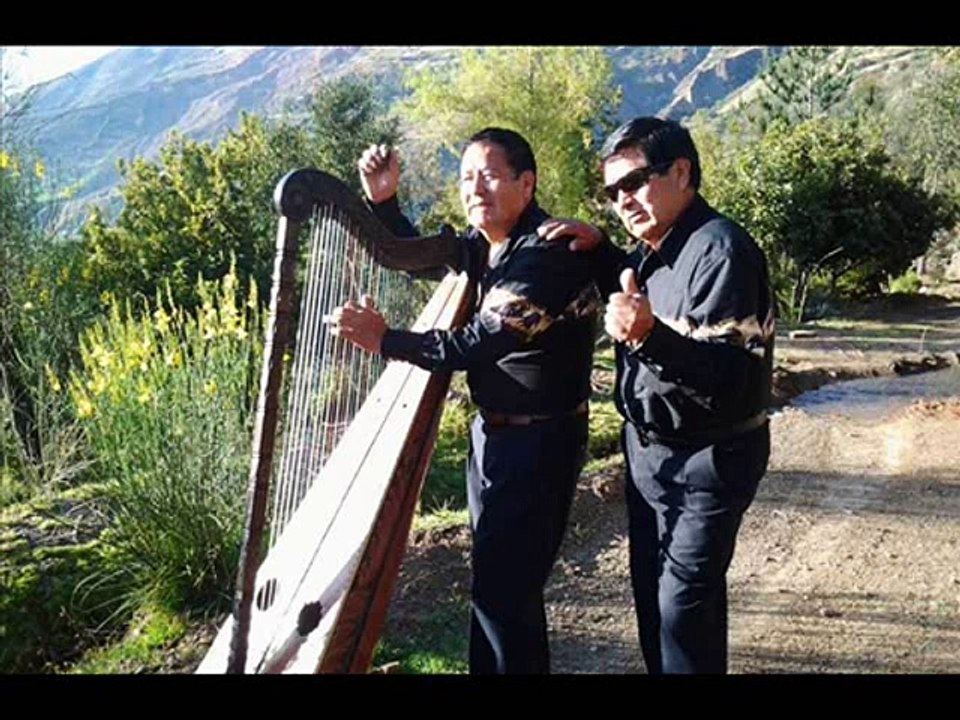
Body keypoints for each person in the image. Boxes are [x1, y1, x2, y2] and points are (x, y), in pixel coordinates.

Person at [326, 128, 600, 674]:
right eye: (466, 177)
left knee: (505, 595)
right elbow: (413, 256)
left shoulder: (545, 257)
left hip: (539, 442)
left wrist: (386, 340)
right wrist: (384, 203)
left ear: (527, 183)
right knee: (499, 592)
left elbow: (476, 344)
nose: (475, 188)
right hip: (496, 439)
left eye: (490, 175)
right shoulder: (486, 246)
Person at [540, 116, 775, 674]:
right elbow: (634, 288)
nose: (623, 199)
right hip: (650, 456)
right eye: (613, 191)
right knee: (655, 600)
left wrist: (649, 336)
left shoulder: (721, 252)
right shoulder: (653, 249)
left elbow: (733, 381)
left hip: (708, 460)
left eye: (635, 181)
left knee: (681, 608)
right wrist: (599, 251)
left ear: (682, 172)